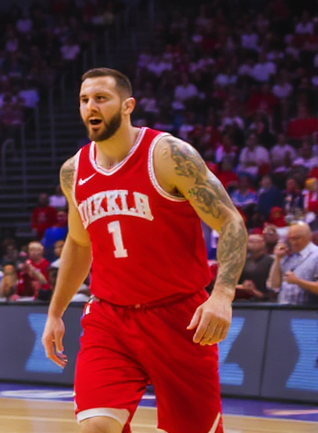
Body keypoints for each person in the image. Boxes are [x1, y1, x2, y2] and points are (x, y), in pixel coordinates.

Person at [42, 68, 247, 433]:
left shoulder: (167, 154)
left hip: (180, 318)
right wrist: (55, 312)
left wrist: (222, 295)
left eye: (101, 98)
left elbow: (231, 222)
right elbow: (78, 242)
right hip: (110, 318)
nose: (91, 106)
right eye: (84, 100)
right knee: (96, 427)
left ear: (127, 105)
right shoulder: (73, 171)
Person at [269, 222, 318, 305]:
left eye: (297, 238)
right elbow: (274, 285)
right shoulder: (287, 255)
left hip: (307, 311)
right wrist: (277, 259)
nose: (294, 242)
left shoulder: (316, 255)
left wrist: (298, 281)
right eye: (291, 238)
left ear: (309, 237)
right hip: (283, 307)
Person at [235, 233, 276, 301]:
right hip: (242, 301)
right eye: (250, 241)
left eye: (256, 241)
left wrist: (253, 290)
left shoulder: (270, 262)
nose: (252, 244)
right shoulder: (242, 262)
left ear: (264, 243)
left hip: (265, 301)